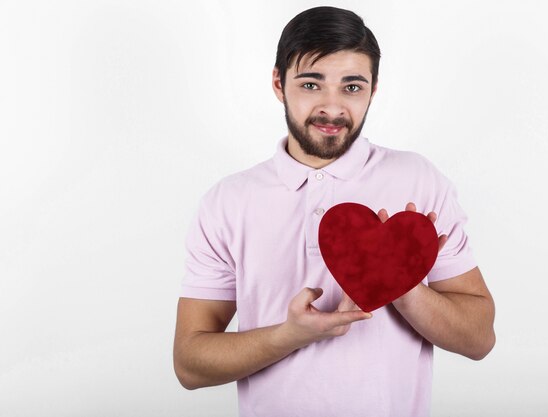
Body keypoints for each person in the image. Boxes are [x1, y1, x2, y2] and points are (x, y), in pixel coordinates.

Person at [173, 6, 495, 417]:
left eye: (352, 87)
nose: (332, 107)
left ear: (373, 89)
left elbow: (480, 339)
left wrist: (402, 285)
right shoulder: (227, 201)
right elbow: (189, 364)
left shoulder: (418, 179)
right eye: (311, 84)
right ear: (278, 83)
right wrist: (290, 335)